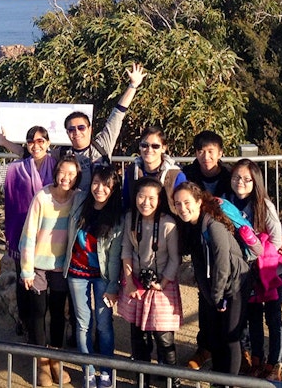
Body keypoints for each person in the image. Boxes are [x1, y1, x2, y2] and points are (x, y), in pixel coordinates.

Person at [0, 63, 147, 191]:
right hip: (75, 210)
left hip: (102, 206)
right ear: (67, 133)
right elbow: (30, 152)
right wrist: (5, 142)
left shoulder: (102, 143)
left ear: (90, 129)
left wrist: (133, 85)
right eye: (71, 129)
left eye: (81, 127)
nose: (76, 132)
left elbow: (118, 114)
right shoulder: (64, 153)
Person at [0, 124, 57, 339]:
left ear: (48, 143)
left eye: (40, 141)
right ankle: (26, 323)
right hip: (24, 238)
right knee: (24, 282)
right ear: (26, 144)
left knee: (53, 285)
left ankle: (49, 328)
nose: (35, 145)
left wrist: (6, 143)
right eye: (31, 141)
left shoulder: (57, 166)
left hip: (52, 237)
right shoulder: (15, 168)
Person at [171, 181, 254, 377]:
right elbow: (200, 265)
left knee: (231, 336)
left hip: (235, 284)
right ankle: (218, 378)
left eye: (187, 202)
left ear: (199, 201)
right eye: (177, 204)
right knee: (216, 336)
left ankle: (229, 381)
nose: (183, 208)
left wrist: (217, 296)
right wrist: (210, 296)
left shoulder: (213, 225)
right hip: (214, 288)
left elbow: (222, 263)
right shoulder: (190, 227)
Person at [224, 159, 282, 381]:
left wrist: (254, 248)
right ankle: (257, 359)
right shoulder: (226, 202)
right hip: (245, 271)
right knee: (252, 316)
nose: (240, 182)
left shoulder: (264, 206)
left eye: (246, 179)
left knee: (273, 316)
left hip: (270, 270)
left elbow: (276, 238)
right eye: (236, 177)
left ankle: (275, 362)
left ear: (256, 181)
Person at [19, 154, 81, 386]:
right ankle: (42, 362)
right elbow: (28, 234)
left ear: (77, 177)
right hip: (37, 266)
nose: (66, 178)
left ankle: (57, 358)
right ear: (56, 173)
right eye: (62, 172)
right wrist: (26, 270)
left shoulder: (78, 199)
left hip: (61, 266)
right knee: (37, 313)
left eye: (72, 174)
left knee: (58, 314)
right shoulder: (42, 197)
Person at [63, 165, 124, 388]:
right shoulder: (80, 203)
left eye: (106, 185)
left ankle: (106, 371)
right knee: (82, 323)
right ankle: (88, 370)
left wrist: (113, 286)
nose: (100, 189)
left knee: (104, 325)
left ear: (113, 188)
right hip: (76, 272)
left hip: (103, 276)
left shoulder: (117, 217)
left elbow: (116, 256)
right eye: (96, 183)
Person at [117, 177, 182, 383]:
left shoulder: (168, 224)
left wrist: (162, 282)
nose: (145, 202)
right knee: (138, 337)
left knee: (163, 337)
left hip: (162, 284)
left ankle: (172, 379)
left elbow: (175, 258)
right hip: (136, 282)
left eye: (151, 198)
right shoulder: (130, 218)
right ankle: (141, 379)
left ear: (160, 199)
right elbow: (126, 249)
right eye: (141, 196)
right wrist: (128, 280)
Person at [181, 130, 231, 371]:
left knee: (233, 293)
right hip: (198, 242)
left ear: (220, 153)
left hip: (229, 243)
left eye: (211, 151)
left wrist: (279, 233)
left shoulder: (231, 175)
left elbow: (254, 202)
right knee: (205, 294)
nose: (206, 156)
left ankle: (239, 348)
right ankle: (205, 346)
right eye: (201, 151)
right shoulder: (188, 175)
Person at [122, 126, 186, 214]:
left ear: (164, 148)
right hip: (137, 224)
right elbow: (127, 204)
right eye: (144, 145)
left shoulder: (176, 175)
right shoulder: (131, 172)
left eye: (155, 146)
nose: (149, 150)